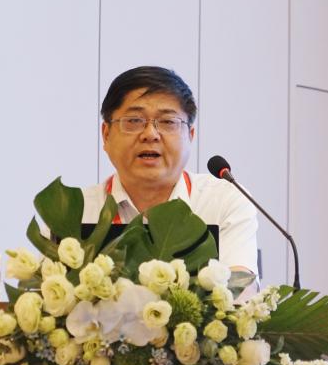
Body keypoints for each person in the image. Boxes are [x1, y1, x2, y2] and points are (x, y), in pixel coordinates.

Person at [82, 66, 259, 280]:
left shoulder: (223, 201)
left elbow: (241, 287)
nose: (150, 134)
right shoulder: (76, 210)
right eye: (134, 120)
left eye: (167, 122)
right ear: (106, 135)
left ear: (190, 136)